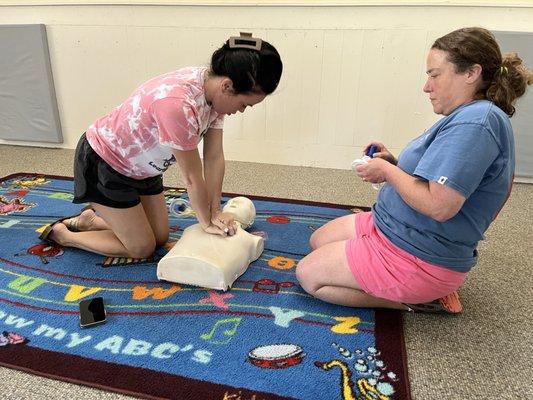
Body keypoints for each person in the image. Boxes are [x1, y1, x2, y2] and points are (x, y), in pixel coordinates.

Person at [296, 27, 532, 313]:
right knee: (317, 241)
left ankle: (420, 299)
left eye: (434, 75)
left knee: (309, 276)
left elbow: (439, 206)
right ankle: (399, 273)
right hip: (395, 226)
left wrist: (386, 171)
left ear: (471, 73)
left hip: (418, 254)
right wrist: (395, 163)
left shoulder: (477, 123)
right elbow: (439, 178)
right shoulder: (471, 115)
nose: (427, 86)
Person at [39, 32, 282, 259]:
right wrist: (206, 221)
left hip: (144, 169)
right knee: (142, 248)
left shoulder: (214, 92)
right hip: (106, 163)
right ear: (227, 86)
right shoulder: (178, 104)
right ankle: (65, 235)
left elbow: (214, 157)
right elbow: (192, 177)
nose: (241, 111)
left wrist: (216, 209)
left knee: (159, 237)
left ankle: (89, 222)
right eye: (244, 104)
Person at [157, 196, 263, 290]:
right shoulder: (196, 226)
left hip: (216, 269)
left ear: (250, 222)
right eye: (230, 202)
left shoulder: (252, 239)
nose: (234, 203)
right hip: (174, 260)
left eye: (243, 204)